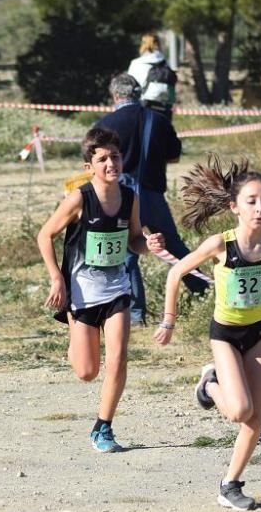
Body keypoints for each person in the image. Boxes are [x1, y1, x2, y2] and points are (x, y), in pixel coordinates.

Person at [153, 158, 261, 510]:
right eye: (252, 201)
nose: (260, 208)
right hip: (225, 336)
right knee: (239, 411)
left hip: (256, 334)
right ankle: (209, 384)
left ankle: (230, 485)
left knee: (255, 419)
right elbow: (175, 273)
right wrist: (169, 321)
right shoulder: (220, 244)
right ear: (234, 207)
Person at [37, 127, 165, 453]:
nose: (111, 164)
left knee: (118, 358)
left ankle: (103, 427)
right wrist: (57, 278)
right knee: (86, 371)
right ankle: (73, 331)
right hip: (80, 295)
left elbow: (134, 240)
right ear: (89, 166)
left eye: (116, 157)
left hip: (116, 290)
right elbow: (44, 235)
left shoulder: (130, 197)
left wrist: (147, 243)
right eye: (103, 158)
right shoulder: (80, 198)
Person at [94, 73, 209, 326]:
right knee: (174, 246)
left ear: (115, 95)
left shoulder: (104, 124)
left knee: (127, 254)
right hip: (153, 194)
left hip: (122, 196)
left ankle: (135, 316)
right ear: (138, 93)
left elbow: (98, 163)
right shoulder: (158, 120)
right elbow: (174, 156)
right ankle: (205, 292)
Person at [127, 33, 177, 119]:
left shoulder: (136, 63)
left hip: (145, 104)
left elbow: (129, 85)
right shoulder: (165, 63)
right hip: (165, 105)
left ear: (143, 45)